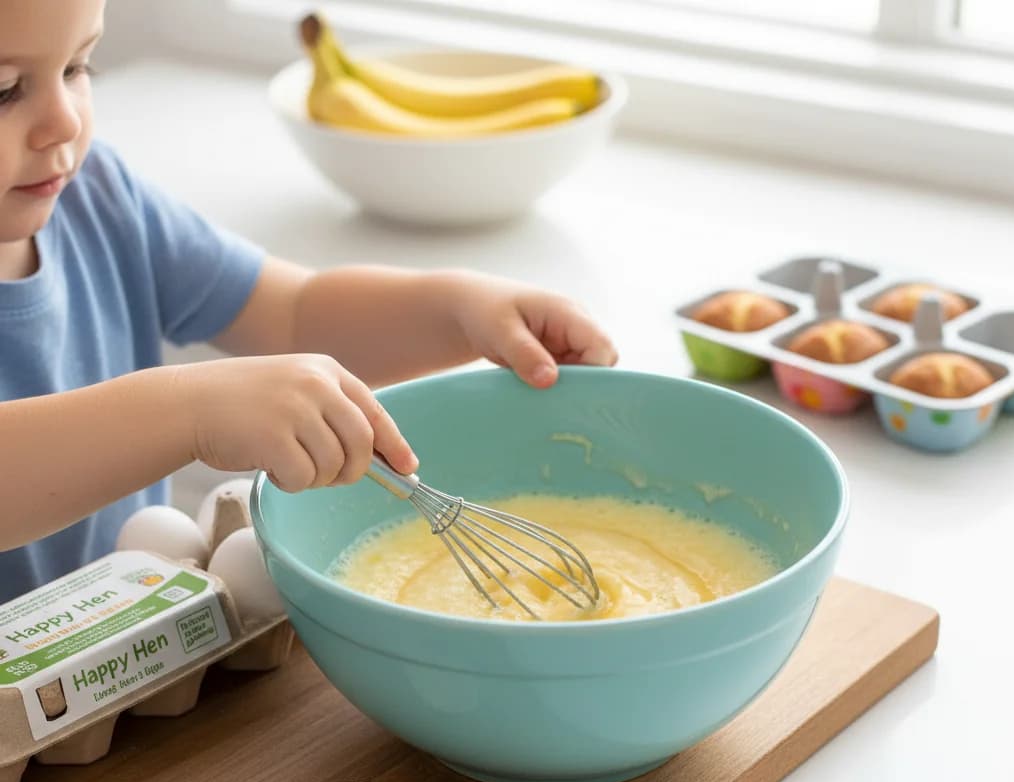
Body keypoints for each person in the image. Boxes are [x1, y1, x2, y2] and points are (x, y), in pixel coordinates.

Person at [0, 0, 617, 604]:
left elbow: (293, 313)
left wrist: (458, 309)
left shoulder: (101, 199)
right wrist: (189, 410)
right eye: (4, 90)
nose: (65, 121)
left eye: (77, 67)